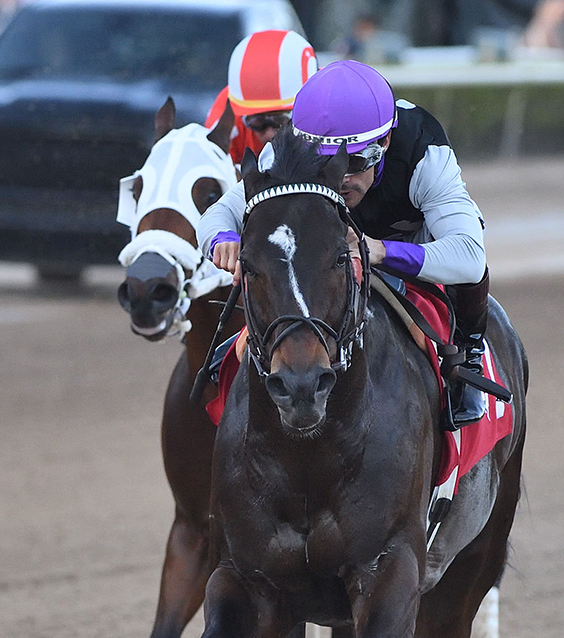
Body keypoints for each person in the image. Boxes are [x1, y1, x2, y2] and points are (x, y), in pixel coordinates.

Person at [197, 59, 492, 428]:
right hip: (328, 254)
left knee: (470, 278)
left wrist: (377, 250)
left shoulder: (424, 151)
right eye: (327, 164)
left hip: (410, 249)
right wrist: (224, 240)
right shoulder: (288, 149)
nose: (344, 177)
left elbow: (468, 257)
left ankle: (469, 348)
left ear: (385, 141)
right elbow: (217, 215)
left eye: (357, 160)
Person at [203, 28, 317, 167]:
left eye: (281, 120)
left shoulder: (335, 104)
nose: (269, 134)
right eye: (256, 122)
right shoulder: (229, 109)